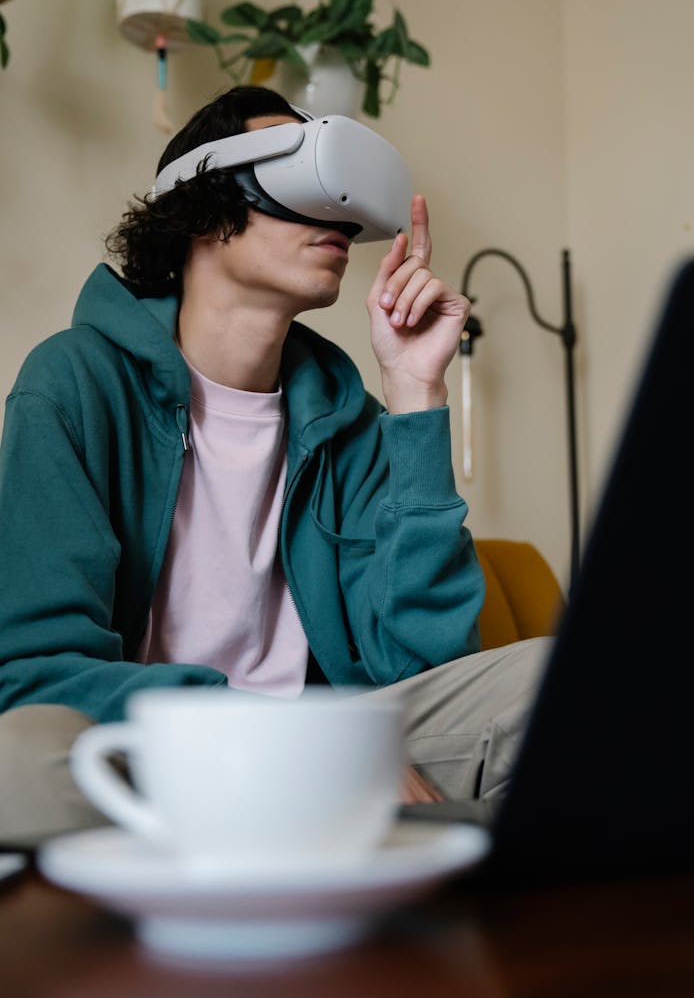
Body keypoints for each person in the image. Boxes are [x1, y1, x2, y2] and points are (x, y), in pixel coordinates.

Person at [0, 86, 552, 847]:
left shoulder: (343, 414)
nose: (333, 217)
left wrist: (417, 397)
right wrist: (275, 737)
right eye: (297, 180)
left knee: (569, 681)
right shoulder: (73, 384)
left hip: (335, 738)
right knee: (15, 763)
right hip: (156, 749)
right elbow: (33, 670)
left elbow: (421, 660)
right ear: (199, 204)